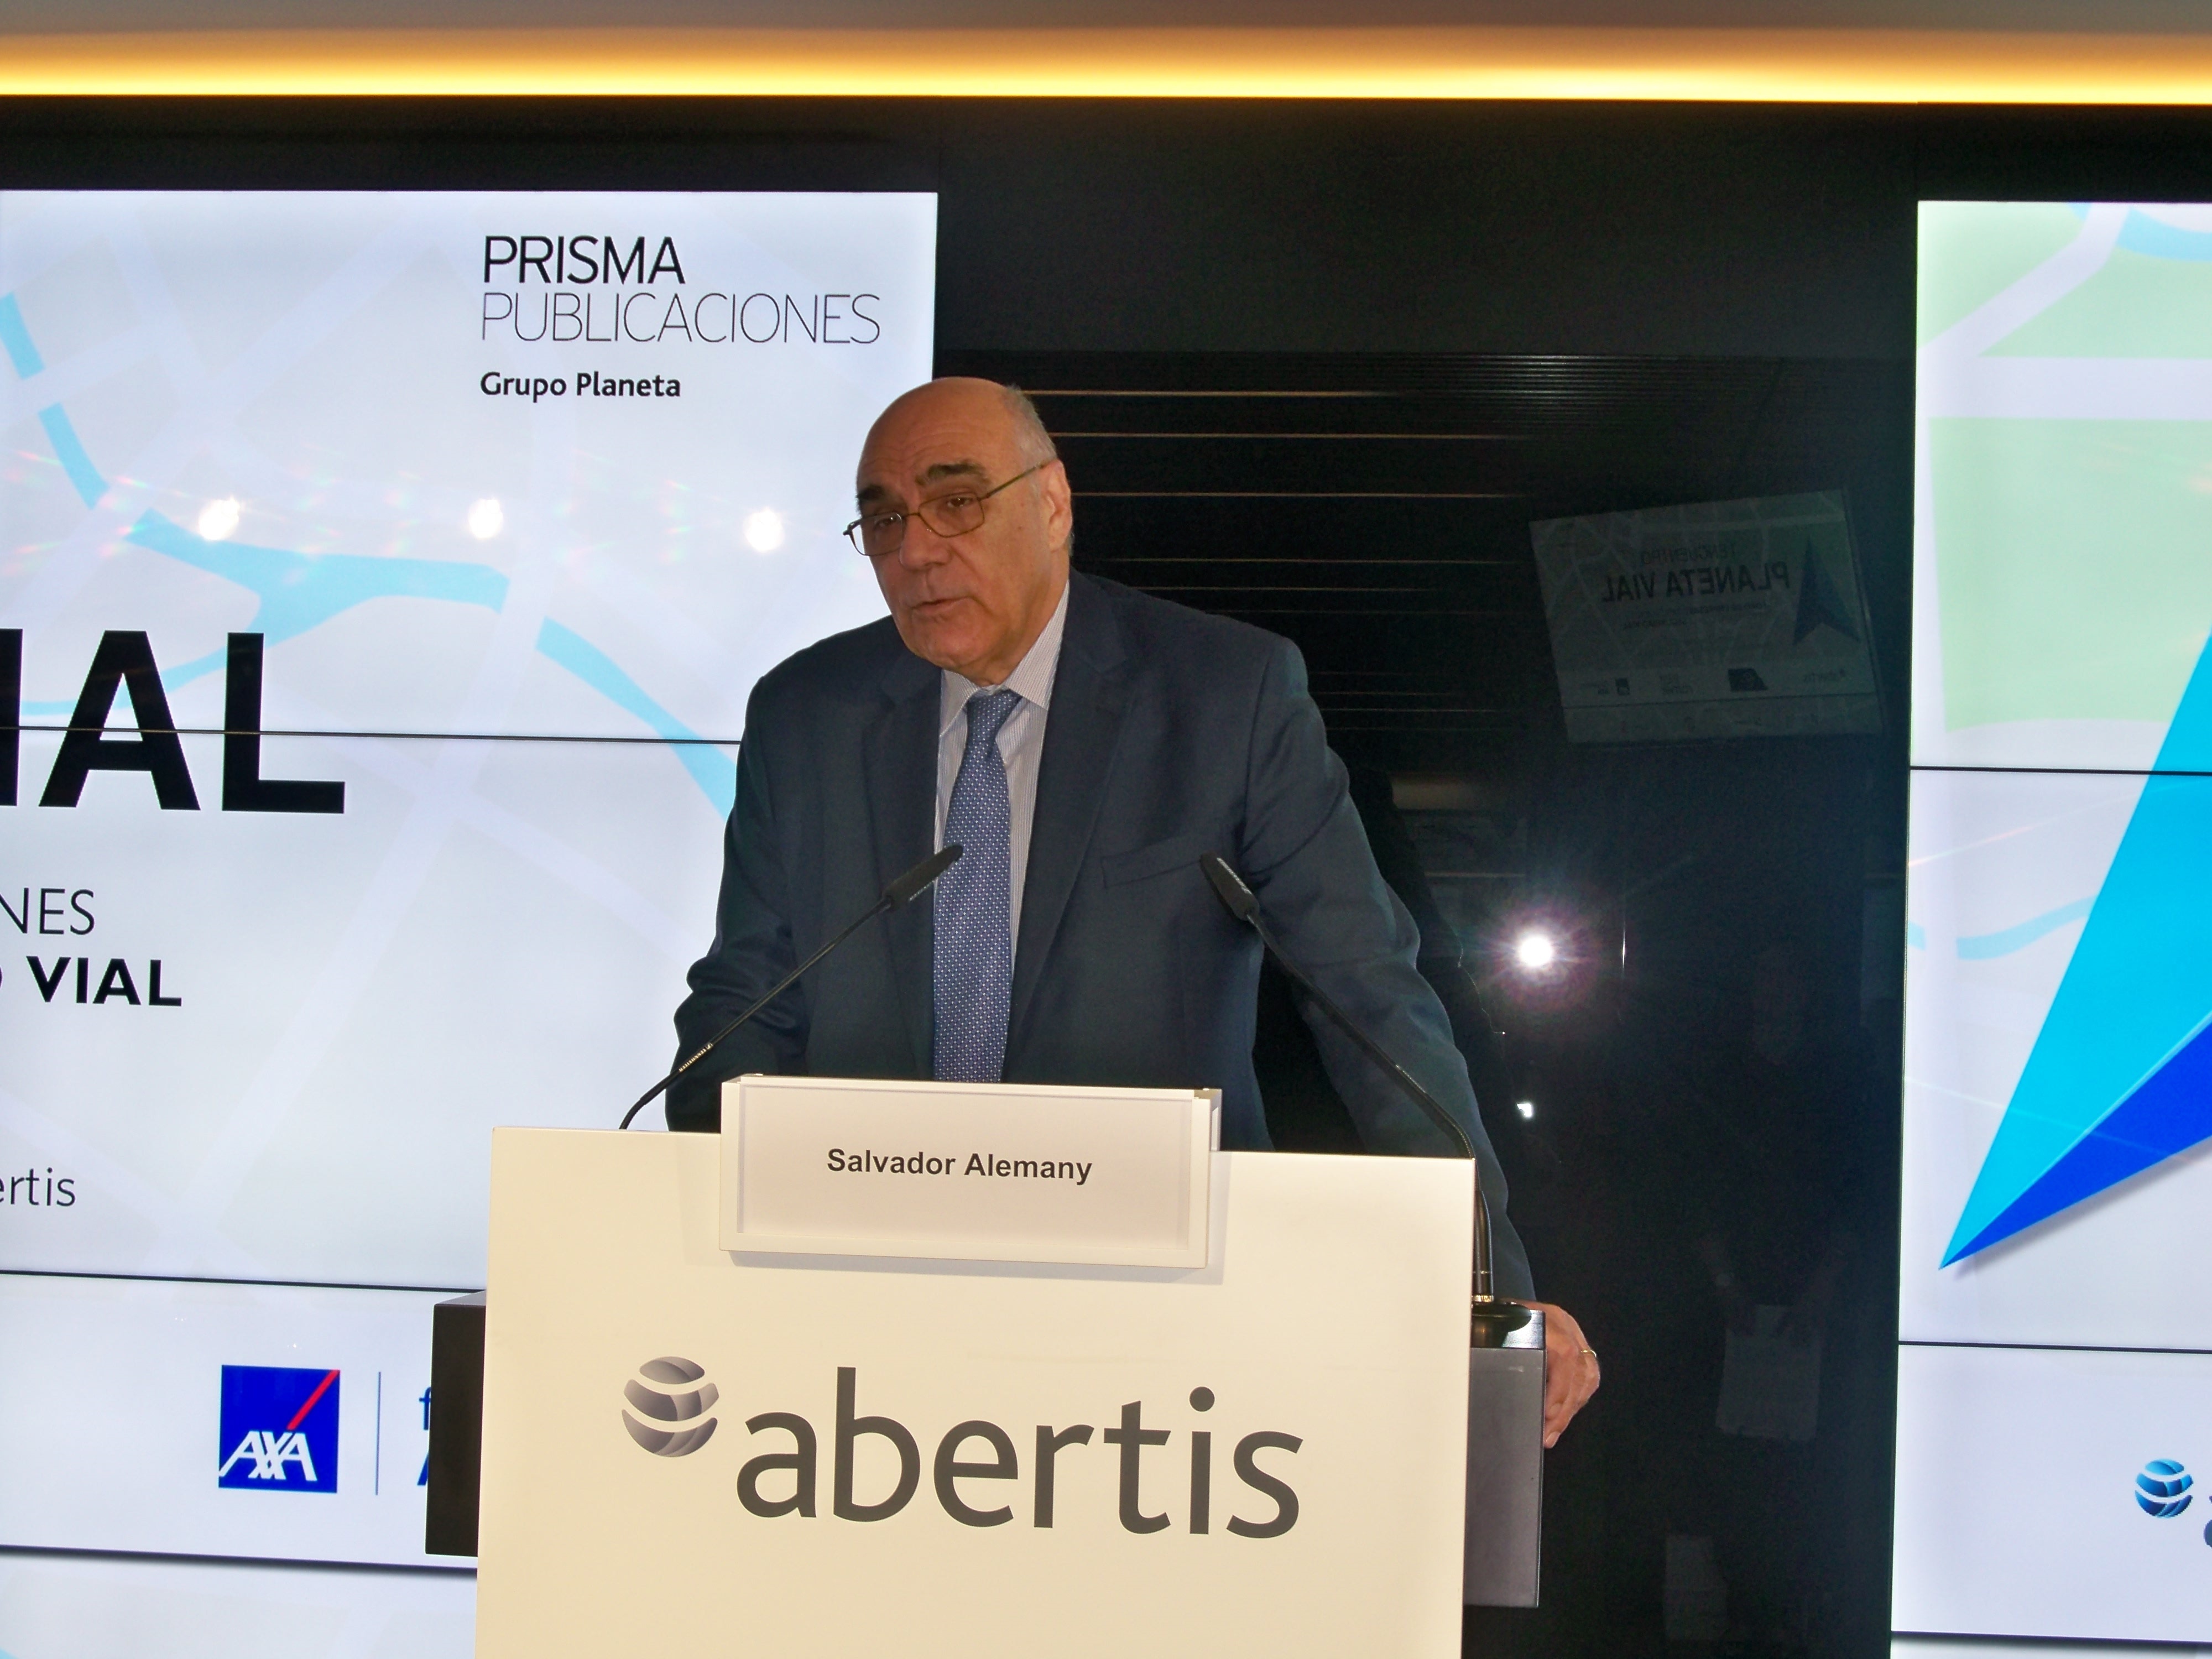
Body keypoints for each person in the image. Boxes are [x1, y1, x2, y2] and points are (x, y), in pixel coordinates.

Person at [672, 377, 1599, 1444]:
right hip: (862, 1326)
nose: (916, 549)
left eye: (956, 502)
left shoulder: (1226, 695)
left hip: (1165, 1346)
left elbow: (1372, 1002)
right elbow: (743, 1012)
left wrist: (1484, 1285)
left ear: (1052, 502)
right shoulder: (806, 715)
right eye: (884, 520)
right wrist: (693, 1250)